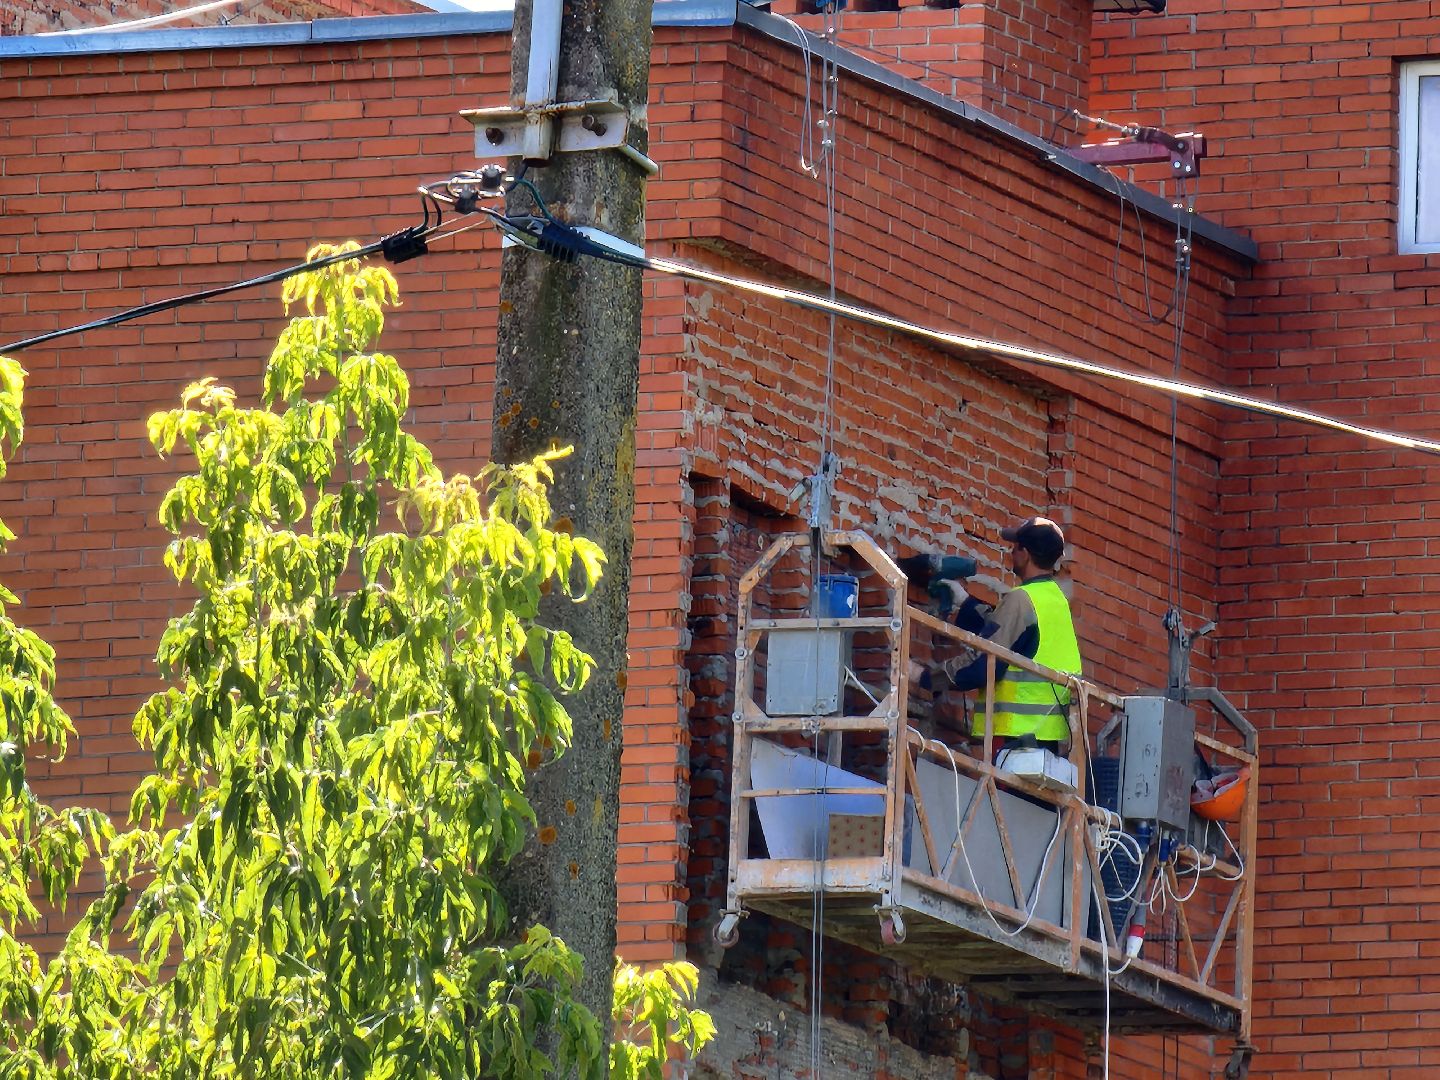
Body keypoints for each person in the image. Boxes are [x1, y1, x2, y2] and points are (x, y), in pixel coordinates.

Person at [908, 516, 1082, 754]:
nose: (1011, 552)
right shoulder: (1056, 601)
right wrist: (965, 602)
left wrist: (924, 677)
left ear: (1026, 552)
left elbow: (984, 664)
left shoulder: (1021, 599)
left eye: (1015, 546)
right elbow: (1013, 636)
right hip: (1047, 741)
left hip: (1014, 738)